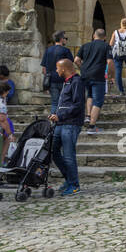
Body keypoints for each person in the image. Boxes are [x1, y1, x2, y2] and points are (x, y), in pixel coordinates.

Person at [49, 57, 85, 196]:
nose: (56, 70)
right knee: (54, 151)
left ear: (63, 69)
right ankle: (69, 179)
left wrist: (61, 116)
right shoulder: (66, 83)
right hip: (61, 123)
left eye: (58, 68)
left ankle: (74, 185)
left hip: (70, 124)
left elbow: (78, 105)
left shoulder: (76, 82)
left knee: (69, 155)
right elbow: (64, 103)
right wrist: (55, 114)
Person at [76, 28, 111, 136]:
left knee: (90, 96)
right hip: (98, 76)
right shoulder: (106, 46)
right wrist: (111, 76)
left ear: (93, 36)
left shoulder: (85, 46)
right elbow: (110, 62)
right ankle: (92, 126)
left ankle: (88, 116)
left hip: (85, 76)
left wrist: (83, 68)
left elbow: (76, 60)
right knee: (98, 101)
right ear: (104, 37)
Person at [41, 31, 73, 112]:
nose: (66, 40)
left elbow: (44, 69)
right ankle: (62, 121)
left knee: (54, 102)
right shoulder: (66, 51)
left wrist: (47, 79)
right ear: (62, 39)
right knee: (64, 102)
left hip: (51, 80)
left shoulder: (48, 50)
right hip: (64, 80)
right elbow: (70, 66)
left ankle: (54, 121)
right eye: (65, 38)